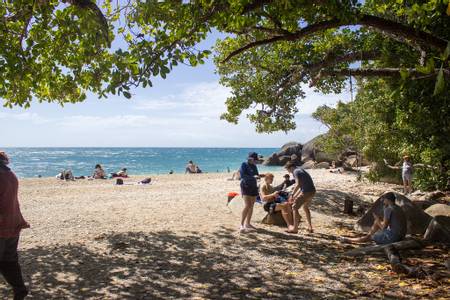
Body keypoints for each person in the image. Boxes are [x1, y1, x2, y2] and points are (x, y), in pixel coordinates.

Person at [0, 151, 29, 299]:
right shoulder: (9, 173)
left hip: (3, 226)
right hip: (13, 223)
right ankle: (20, 290)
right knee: (9, 261)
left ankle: (20, 290)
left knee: (8, 262)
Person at [343, 192, 407, 244]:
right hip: (401, 236)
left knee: (372, 236)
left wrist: (376, 219)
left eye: (384, 199)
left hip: (393, 237)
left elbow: (383, 227)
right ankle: (367, 236)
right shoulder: (398, 208)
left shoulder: (388, 209)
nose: (383, 201)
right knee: (377, 222)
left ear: (387, 200)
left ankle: (353, 240)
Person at [284, 161, 316, 234]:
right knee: (305, 207)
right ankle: (310, 227)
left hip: (307, 192)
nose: (289, 173)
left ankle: (295, 229)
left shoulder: (295, 171)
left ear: (291, 167)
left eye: (288, 170)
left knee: (294, 207)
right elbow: (302, 187)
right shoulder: (301, 170)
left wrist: (292, 194)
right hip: (312, 191)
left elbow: (297, 184)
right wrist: (295, 196)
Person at [239, 152, 264, 233]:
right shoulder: (244, 164)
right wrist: (253, 177)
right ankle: (241, 225)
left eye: (256, 160)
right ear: (250, 158)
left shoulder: (254, 165)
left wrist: (261, 176)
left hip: (254, 186)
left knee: (252, 205)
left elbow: (257, 175)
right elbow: (242, 176)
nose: (255, 161)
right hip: (245, 186)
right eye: (254, 159)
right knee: (247, 205)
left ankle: (248, 223)